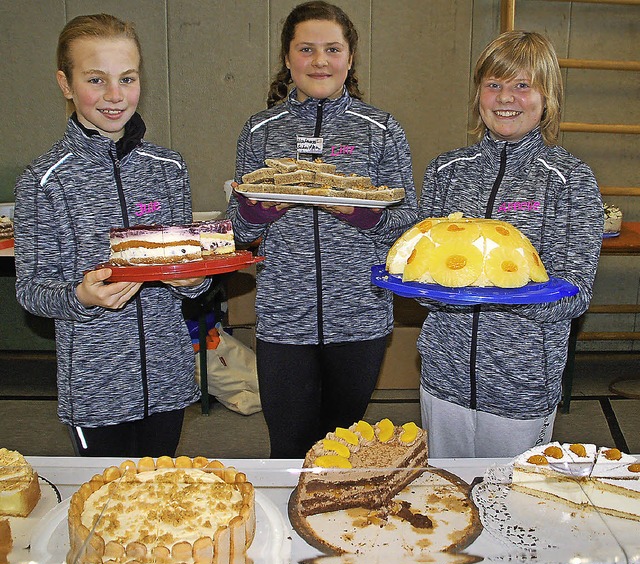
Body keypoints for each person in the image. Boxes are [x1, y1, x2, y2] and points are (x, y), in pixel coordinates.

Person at [13, 14, 209, 457]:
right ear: (65, 84)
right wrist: (80, 297)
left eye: (127, 78)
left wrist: (193, 280)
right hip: (95, 387)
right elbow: (30, 291)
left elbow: (196, 274)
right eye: (96, 80)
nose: (115, 96)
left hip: (166, 375)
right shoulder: (45, 182)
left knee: (162, 493)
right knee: (108, 506)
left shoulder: (168, 168)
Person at [227, 1, 417, 458]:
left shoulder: (381, 129)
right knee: (288, 448)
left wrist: (364, 215)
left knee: (342, 448)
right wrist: (260, 214)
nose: (319, 61)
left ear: (350, 59)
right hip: (283, 319)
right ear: (288, 58)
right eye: (306, 49)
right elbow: (235, 228)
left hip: (360, 316)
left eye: (332, 49)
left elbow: (409, 222)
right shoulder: (260, 131)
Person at [417, 31, 603, 458]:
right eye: (494, 84)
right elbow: (423, 275)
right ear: (479, 93)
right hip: (443, 376)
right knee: (446, 497)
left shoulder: (570, 180)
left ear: (547, 97)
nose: (506, 98)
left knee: (511, 505)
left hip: (522, 382)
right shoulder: (446, 171)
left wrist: (504, 294)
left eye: (523, 85)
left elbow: (576, 291)